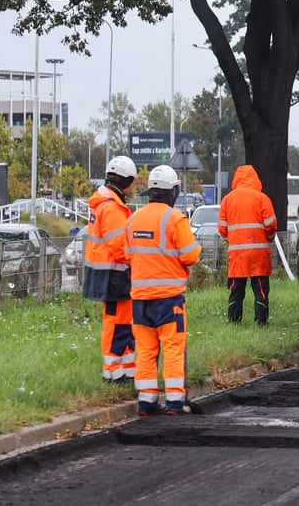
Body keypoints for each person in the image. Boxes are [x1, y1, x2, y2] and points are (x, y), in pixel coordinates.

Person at [126, 165, 201, 416]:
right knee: (172, 349)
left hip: (139, 300)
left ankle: (146, 402)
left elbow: (128, 254)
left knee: (146, 351)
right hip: (169, 299)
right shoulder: (175, 218)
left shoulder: (133, 219)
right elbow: (190, 256)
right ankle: (175, 403)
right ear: (174, 191)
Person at [82, 155, 138, 384]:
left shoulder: (102, 203)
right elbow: (119, 246)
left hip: (106, 274)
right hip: (116, 273)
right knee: (119, 324)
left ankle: (123, 369)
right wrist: (137, 262)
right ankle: (114, 372)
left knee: (117, 322)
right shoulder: (113, 208)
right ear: (126, 181)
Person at [218, 165, 277, 325]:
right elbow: (271, 224)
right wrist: (269, 238)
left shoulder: (227, 200)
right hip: (259, 253)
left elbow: (222, 228)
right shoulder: (262, 198)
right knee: (260, 290)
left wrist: (234, 240)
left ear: (236, 179)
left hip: (237, 254)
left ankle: (234, 322)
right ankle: (261, 322)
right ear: (255, 179)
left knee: (236, 289)